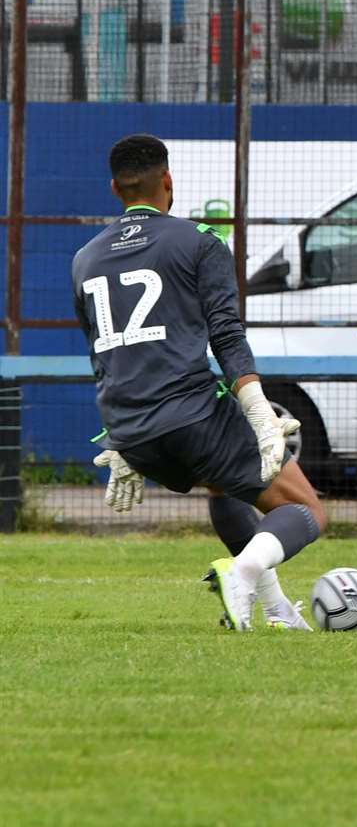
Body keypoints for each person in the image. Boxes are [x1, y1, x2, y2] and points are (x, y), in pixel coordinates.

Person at [71, 134, 327, 632]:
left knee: (225, 490)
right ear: (167, 180)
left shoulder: (84, 258)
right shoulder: (200, 239)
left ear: (114, 189)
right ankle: (244, 572)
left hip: (131, 431)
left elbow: (104, 355)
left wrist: (120, 442)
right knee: (306, 507)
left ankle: (276, 611)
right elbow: (227, 337)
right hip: (192, 415)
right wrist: (260, 416)